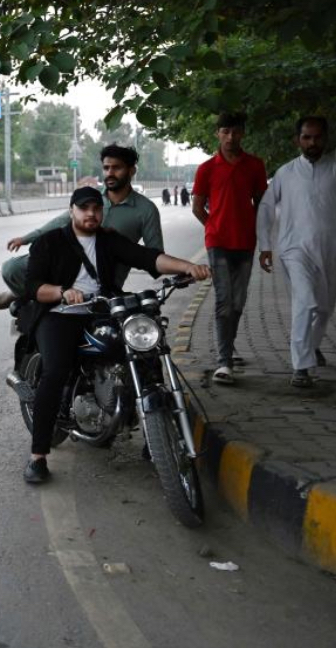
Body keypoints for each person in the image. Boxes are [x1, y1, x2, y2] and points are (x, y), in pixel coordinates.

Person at [22, 186, 210, 482]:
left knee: (146, 352)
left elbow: (148, 257)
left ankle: (156, 437)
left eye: (96, 208)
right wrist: (62, 292)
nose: (91, 214)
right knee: (55, 371)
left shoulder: (109, 240)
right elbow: (33, 286)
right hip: (59, 313)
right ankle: (38, 456)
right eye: (84, 208)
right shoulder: (50, 242)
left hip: (102, 310)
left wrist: (188, 267)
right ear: (71, 211)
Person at [257, 117, 336, 387]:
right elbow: (266, 208)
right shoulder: (285, 173)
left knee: (324, 309)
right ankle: (301, 367)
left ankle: (312, 346)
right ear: (297, 140)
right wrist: (265, 245)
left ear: (325, 139)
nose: (312, 142)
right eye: (306, 137)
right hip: (295, 250)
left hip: (334, 252)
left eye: (317, 137)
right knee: (305, 302)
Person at [0, 144, 163, 308]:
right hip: (68, 262)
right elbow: (60, 222)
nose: (110, 173)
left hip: (105, 278)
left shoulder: (146, 210)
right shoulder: (91, 198)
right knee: (12, 268)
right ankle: (21, 293)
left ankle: (21, 294)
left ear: (132, 171)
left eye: (116, 168)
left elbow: (154, 255)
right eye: (106, 168)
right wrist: (26, 239)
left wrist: (123, 246)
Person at [192, 112, 267, 385]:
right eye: (225, 131)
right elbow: (197, 207)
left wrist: (256, 231)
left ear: (243, 133)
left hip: (245, 243)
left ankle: (227, 345)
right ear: (218, 134)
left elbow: (261, 204)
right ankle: (224, 362)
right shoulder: (207, 168)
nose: (230, 137)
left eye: (235, 132)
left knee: (238, 301)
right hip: (218, 243)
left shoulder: (255, 165)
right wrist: (213, 226)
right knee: (224, 300)